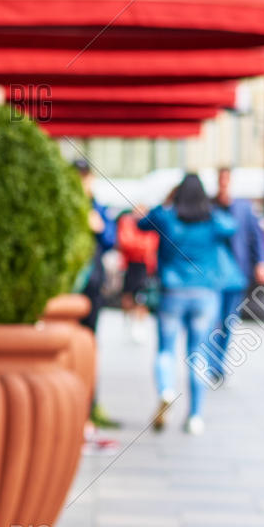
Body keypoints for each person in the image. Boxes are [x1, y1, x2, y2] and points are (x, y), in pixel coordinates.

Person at [136, 174, 239, 435]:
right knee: (198, 355)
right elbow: (232, 226)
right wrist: (212, 208)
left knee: (166, 349)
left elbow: (142, 223)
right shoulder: (213, 221)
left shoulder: (167, 218)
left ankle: (166, 389)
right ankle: (195, 416)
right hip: (205, 294)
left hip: (172, 292)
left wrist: (166, 202)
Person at [204, 166, 264, 381]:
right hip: (213, 276)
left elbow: (257, 237)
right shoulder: (209, 206)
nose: (224, 183)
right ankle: (212, 363)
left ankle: (219, 362)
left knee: (227, 321)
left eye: (226, 179)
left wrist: (262, 262)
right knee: (213, 319)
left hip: (236, 275)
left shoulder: (243, 207)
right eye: (220, 179)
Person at [72, 158, 120, 428]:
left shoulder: (98, 209)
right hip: (69, 288)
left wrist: (99, 226)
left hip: (92, 285)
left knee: (89, 343)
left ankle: (89, 404)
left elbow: (111, 239)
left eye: (85, 177)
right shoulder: (64, 205)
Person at [115, 206, 159, 344]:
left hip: (146, 265)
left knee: (144, 296)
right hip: (130, 265)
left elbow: (152, 244)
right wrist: (141, 246)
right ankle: (128, 320)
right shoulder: (127, 221)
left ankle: (139, 323)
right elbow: (125, 242)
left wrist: (138, 245)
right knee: (128, 295)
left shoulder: (150, 224)